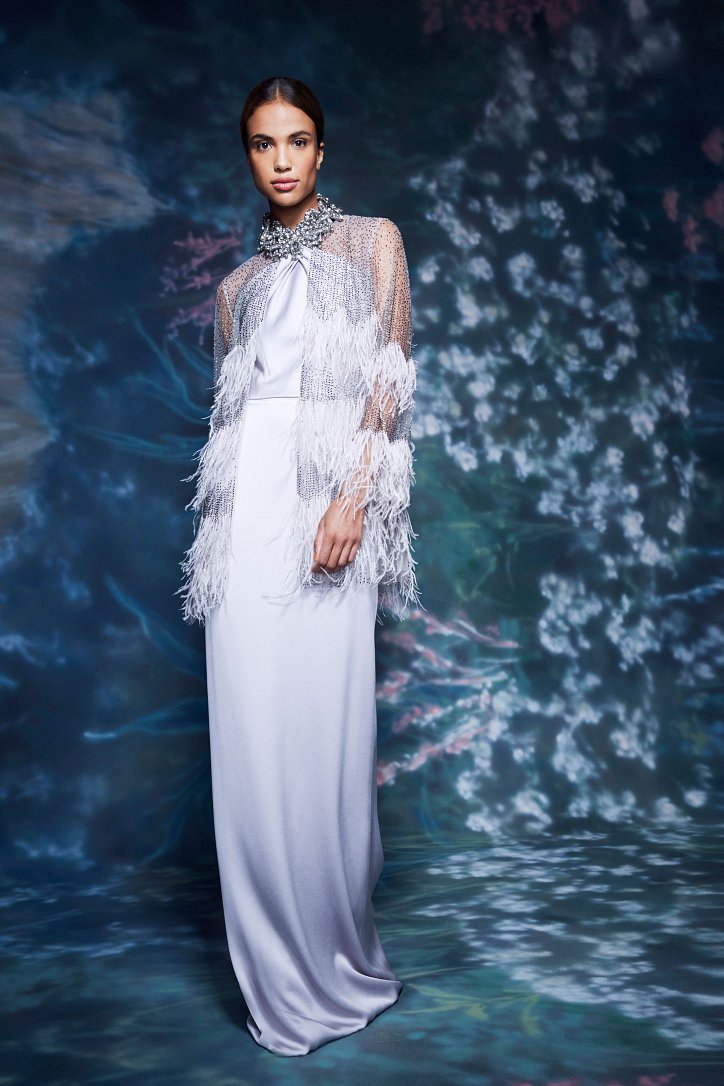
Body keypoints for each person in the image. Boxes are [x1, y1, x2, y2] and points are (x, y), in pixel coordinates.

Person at [178, 75, 421, 1057]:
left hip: (328, 510)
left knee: (326, 735)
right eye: (262, 143)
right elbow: (233, 424)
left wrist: (353, 497)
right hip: (244, 524)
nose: (280, 159)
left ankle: (335, 955)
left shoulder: (373, 243)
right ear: (249, 154)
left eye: (297, 140)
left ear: (322, 151)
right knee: (249, 738)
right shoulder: (234, 290)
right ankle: (275, 980)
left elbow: (388, 382)